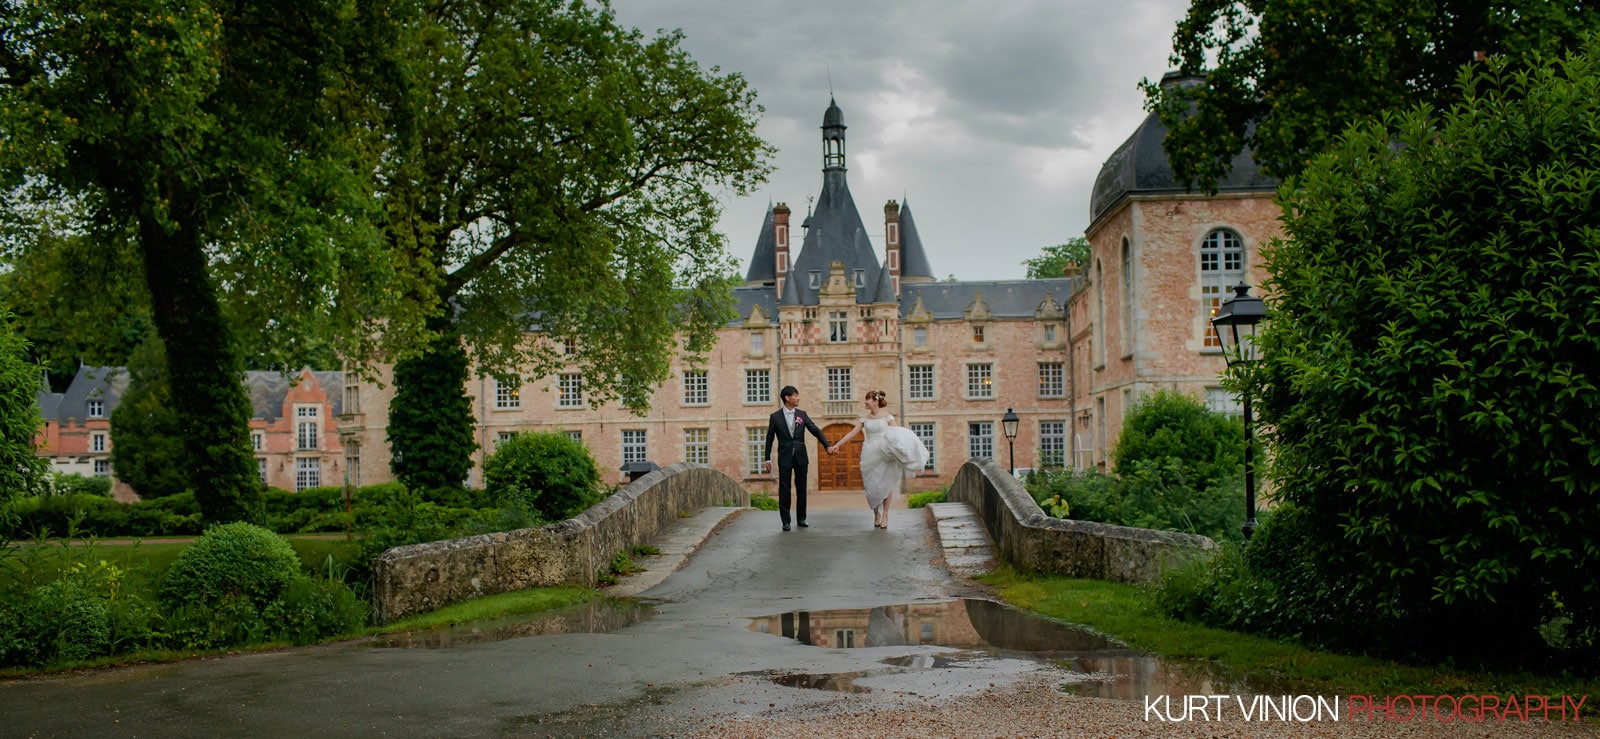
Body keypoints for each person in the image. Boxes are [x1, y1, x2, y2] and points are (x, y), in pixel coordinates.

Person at [827, 390, 928, 529]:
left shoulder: (888, 417)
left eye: (867, 399)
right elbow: (852, 433)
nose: (865, 402)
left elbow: (897, 435)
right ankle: (876, 513)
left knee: (887, 484)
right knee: (871, 486)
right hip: (869, 454)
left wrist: (902, 451)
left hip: (885, 454)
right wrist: (837, 445)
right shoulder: (864, 419)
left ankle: (885, 514)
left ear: (875, 401)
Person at [763, 386, 830, 531]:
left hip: (801, 457)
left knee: (801, 488)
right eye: (795, 395)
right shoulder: (775, 417)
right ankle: (785, 521)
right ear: (787, 398)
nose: (798, 398)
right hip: (785, 457)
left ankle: (802, 518)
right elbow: (769, 439)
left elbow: (815, 430)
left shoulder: (802, 414)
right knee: (784, 489)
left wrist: (827, 446)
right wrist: (767, 458)